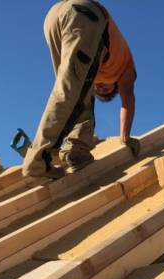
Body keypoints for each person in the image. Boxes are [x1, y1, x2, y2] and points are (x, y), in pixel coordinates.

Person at [22, 0, 139, 183]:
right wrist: (126, 137)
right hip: (87, 17)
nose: (100, 87)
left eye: (100, 89)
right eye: (105, 88)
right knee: (71, 92)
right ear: (115, 84)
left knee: (76, 93)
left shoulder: (96, 66)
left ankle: (72, 151)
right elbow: (128, 100)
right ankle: (38, 159)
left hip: (54, 17)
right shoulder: (126, 69)